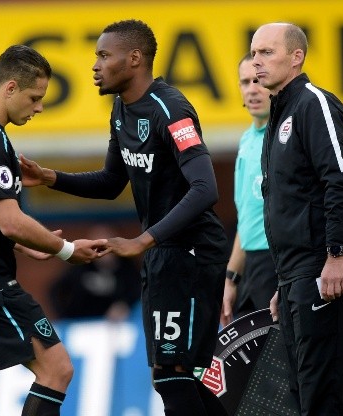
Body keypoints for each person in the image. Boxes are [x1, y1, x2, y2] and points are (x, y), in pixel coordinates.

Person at [19, 20, 230, 416]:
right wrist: (50, 177)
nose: (95, 65)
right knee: (177, 374)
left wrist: (142, 240)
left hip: (190, 252)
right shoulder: (121, 109)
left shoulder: (172, 108)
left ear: (134, 59)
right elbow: (112, 180)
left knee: (172, 373)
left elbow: (206, 188)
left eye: (103, 55)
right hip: (163, 254)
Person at [0, 44, 106, 416]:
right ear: (10, 88)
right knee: (57, 369)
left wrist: (27, 246)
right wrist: (67, 250)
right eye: (35, 97)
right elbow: (9, 220)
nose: (39, 107)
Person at [251, 23, 343, 415]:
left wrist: (336, 255)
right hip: (296, 274)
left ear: (296, 57)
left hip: (324, 268)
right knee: (301, 394)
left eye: (266, 52)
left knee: (321, 395)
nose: (256, 63)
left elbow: (340, 181)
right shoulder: (279, 113)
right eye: (253, 54)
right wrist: (285, 281)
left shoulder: (315, 104)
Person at [220, 53, 276, 326]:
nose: (252, 89)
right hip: (251, 268)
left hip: (278, 262)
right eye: (245, 82)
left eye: (258, 80)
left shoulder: (285, 136)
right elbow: (246, 218)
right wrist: (231, 279)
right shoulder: (246, 139)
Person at [50, 224, 141, 322]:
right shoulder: (81, 266)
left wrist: (125, 304)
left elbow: (139, 289)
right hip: (83, 323)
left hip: (117, 324)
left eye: (107, 246)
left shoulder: (127, 267)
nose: (103, 251)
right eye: (98, 246)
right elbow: (55, 290)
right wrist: (64, 315)